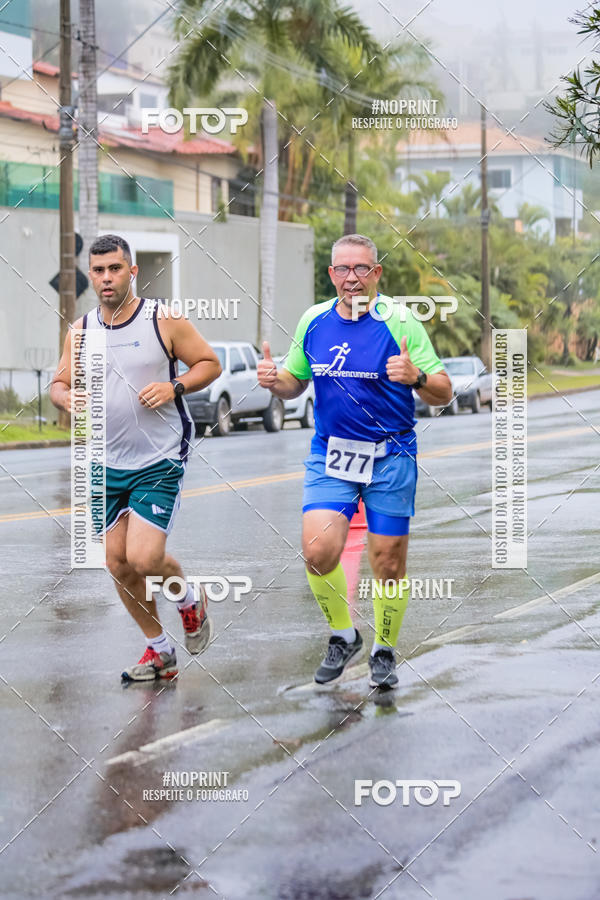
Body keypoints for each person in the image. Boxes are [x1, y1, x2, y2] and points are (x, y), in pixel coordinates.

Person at [257, 234, 452, 688]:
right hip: (332, 453)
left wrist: (417, 376)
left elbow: (443, 391)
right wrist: (274, 380)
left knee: (388, 561)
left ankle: (384, 648)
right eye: (343, 269)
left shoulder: (400, 321)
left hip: (391, 455)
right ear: (331, 274)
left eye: (361, 268)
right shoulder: (315, 320)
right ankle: (344, 636)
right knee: (317, 551)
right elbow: (295, 382)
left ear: (376, 273)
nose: (352, 278)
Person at [50, 234, 222, 683]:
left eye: (115, 269)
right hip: (104, 463)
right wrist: (67, 399)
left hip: (159, 457)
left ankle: (190, 600)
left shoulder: (163, 319)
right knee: (117, 562)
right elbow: (58, 385)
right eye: (99, 270)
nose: (107, 278)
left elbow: (209, 363)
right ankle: (160, 650)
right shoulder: (81, 331)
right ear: (91, 276)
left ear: (132, 271)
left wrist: (173, 387)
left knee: (144, 558)